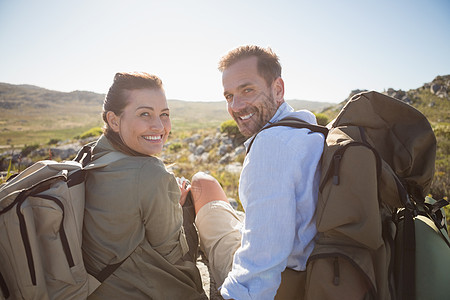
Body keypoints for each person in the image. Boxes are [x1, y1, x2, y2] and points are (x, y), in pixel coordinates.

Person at [190, 45, 325, 299]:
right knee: (209, 187)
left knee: (200, 184)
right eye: (229, 96)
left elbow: (259, 271)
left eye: (247, 90)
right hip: (311, 261)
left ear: (278, 89)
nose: (236, 106)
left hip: (284, 282)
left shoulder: (271, 145)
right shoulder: (308, 130)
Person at [82, 72, 206, 299]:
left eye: (164, 114)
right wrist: (178, 212)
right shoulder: (150, 173)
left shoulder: (92, 155)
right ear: (113, 120)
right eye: (145, 114)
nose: (159, 126)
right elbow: (172, 257)